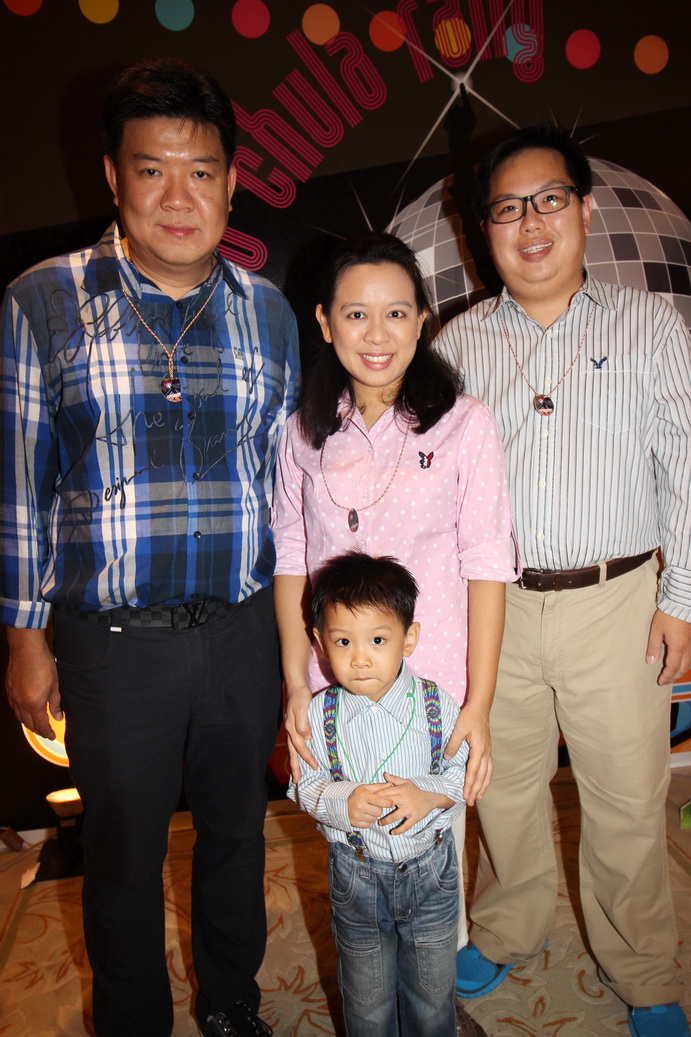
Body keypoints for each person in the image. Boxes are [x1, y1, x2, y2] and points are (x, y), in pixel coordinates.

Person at [0, 58, 299, 1037]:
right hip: (113, 644)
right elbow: (18, 483)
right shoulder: (43, 301)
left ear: (232, 181)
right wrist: (25, 639)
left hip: (243, 631)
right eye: (152, 169)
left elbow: (289, 481)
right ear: (112, 177)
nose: (179, 197)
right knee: (124, 854)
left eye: (201, 171)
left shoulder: (267, 312)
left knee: (235, 836)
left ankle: (231, 1003)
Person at [435, 124, 691, 1037]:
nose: (530, 223)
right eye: (507, 208)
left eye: (548, 200)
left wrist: (681, 601)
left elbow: (685, 466)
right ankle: (507, 926)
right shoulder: (456, 346)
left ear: (583, 211)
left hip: (617, 600)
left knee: (626, 798)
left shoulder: (648, 326)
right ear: (483, 230)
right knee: (499, 787)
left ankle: (644, 968)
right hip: (496, 607)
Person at [272, 230, 516, 1037]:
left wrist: (478, 702)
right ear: (323, 322)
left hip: (434, 687)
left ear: (421, 320)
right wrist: (295, 684)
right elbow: (291, 559)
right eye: (355, 314)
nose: (376, 334)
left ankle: (434, 1009)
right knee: (354, 856)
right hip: (336, 684)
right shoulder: (302, 431)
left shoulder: (463, 424)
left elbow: (487, 564)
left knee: (432, 853)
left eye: (396, 313)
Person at [288, 551, 469, 1036]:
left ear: (408, 638)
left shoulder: (436, 705)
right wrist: (340, 802)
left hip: (431, 874)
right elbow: (301, 785)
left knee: (432, 994)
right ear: (320, 643)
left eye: (378, 640)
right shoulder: (319, 716)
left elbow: (466, 772)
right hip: (356, 876)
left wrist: (430, 794)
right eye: (343, 641)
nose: (360, 658)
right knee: (366, 999)